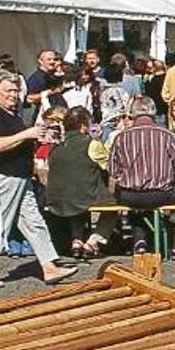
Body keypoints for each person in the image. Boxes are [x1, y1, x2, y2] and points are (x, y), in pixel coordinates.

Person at [0, 72, 77, 288]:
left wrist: (39, 138)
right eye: (8, 90)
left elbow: (18, 142)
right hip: (3, 177)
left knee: (35, 223)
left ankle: (49, 265)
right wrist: (26, 134)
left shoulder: (13, 114)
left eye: (16, 90)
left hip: (21, 177)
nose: (13, 95)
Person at [107, 97, 175, 255]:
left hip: (130, 195)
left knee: (135, 200)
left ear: (132, 114)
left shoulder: (121, 137)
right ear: (153, 113)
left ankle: (140, 239)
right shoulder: (166, 134)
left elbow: (112, 169)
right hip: (162, 193)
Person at [42, 107, 107, 257]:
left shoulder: (55, 147)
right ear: (84, 126)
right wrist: (99, 140)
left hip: (56, 198)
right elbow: (109, 164)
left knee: (75, 197)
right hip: (84, 196)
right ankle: (93, 242)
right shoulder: (91, 144)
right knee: (113, 208)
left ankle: (77, 240)